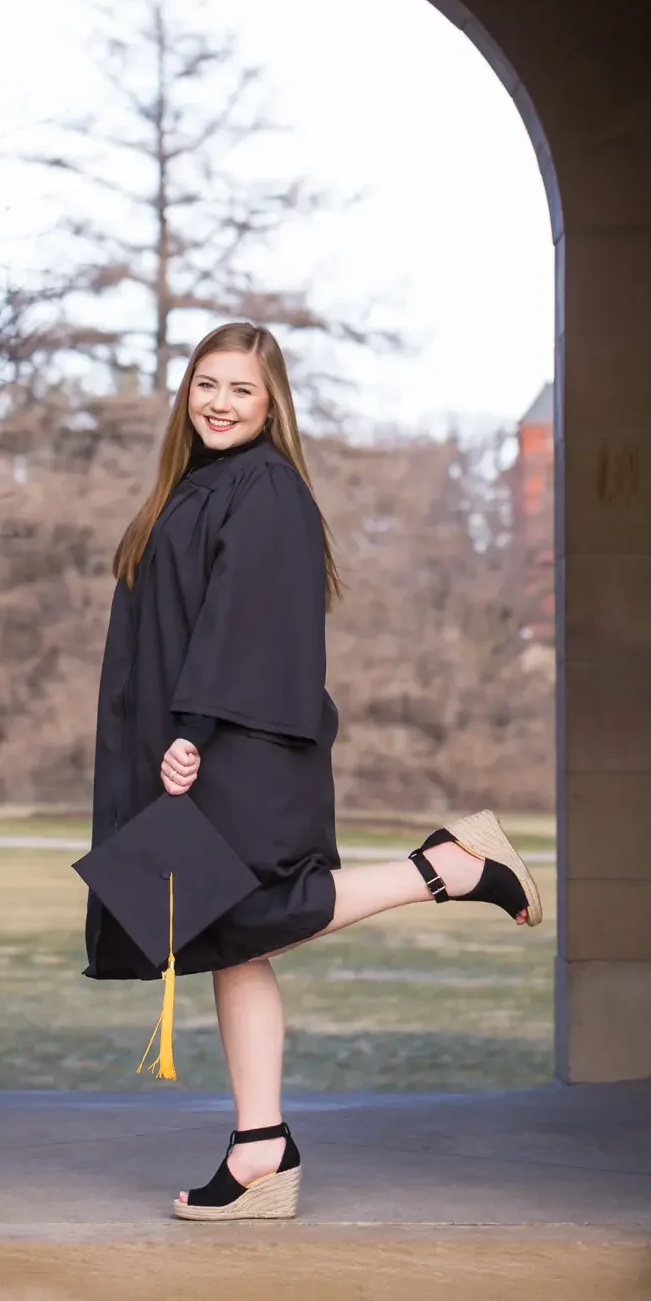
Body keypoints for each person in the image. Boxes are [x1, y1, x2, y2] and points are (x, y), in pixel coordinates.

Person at [85, 320, 541, 1222]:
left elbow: (242, 623)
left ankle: (446, 867)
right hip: (187, 746)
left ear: (272, 402)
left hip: (232, 745)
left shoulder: (266, 488)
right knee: (228, 940)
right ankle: (260, 1146)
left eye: (241, 390)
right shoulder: (191, 487)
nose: (219, 402)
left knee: (248, 912)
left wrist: (191, 728)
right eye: (206, 384)